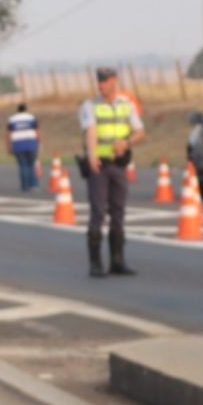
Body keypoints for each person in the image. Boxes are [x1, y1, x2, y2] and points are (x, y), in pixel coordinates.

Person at [80, 67, 145, 278]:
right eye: (99, 81)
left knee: (118, 212)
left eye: (106, 81)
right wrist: (91, 156)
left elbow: (140, 132)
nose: (101, 84)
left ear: (115, 81)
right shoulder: (90, 106)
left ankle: (117, 260)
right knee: (98, 212)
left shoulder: (126, 106)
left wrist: (126, 143)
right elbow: (90, 132)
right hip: (99, 166)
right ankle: (95, 263)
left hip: (118, 165)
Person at [7, 102, 40, 191]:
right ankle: (33, 184)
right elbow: (36, 131)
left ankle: (25, 186)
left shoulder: (12, 119)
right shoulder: (31, 117)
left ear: (18, 110)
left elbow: (9, 133)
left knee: (23, 165)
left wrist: (9, 146)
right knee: (31, 164)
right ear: (26, 109)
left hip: (18, 144)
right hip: (30, 143)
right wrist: (38, 142)